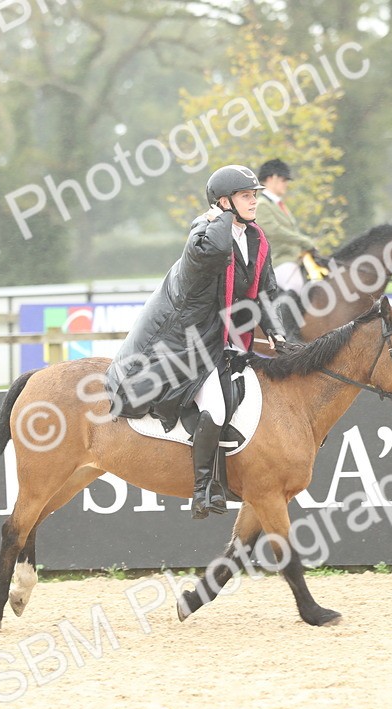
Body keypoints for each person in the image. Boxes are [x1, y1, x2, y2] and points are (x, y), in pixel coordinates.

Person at [105, 164, 289, 519]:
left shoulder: (256, 239)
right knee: (216, 407)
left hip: (232, 341)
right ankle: (204, 488)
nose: (254, 202)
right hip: (192, 344)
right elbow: (218, 249)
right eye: (246, 196)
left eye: (255, 196)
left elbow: (265, 293)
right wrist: (218, 217)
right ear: (224, 202)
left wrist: (278, 333)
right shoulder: (203, 236)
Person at [255, 159, 320, 295]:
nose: (286, 184)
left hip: (295, 259)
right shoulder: (262, 205)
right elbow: (275, 231)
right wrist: (304, 241)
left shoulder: (279, 205)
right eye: (284, 180)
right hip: (279, 261)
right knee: (296, 286)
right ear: (272, 178)